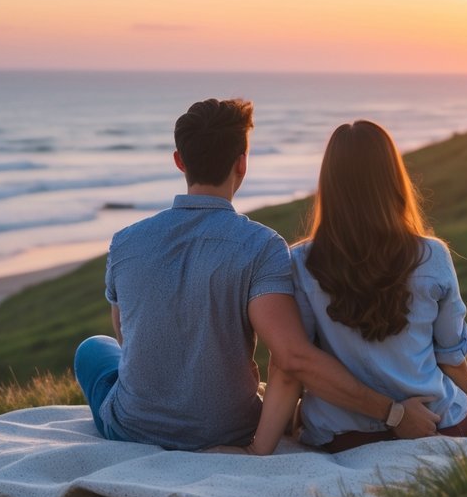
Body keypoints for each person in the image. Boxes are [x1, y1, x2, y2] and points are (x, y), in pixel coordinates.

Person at [74, 99, 440, 451]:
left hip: (134, 428)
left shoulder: (125, 242)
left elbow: (127, 335)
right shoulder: (261, 246)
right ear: (242, 163)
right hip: (229, 428)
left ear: (179, 161)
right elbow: (292, 358)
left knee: (94, 348)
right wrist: (392, 413)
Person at [250, 120, 467, 455]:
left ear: (329, 184)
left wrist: (269, 442)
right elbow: (450, 356)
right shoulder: (432, 255)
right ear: (393, 179)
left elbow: (292, 364)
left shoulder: (300, 262)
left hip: (343, 435)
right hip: (437, 420)